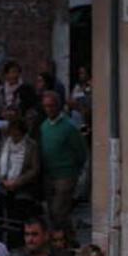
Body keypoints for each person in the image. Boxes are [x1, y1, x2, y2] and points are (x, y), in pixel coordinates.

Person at [38, 89, 87, 232]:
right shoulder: (44, 126)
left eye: (52, 106)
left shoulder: (69, 127)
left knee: (58, 210)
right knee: (53, 212)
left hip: (65, 175)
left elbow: (81, 152)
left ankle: (62, 238)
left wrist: (74, 171)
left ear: (58, 106)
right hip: (49, 174)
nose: (49, 109)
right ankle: (68, 236)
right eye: (46, 106)